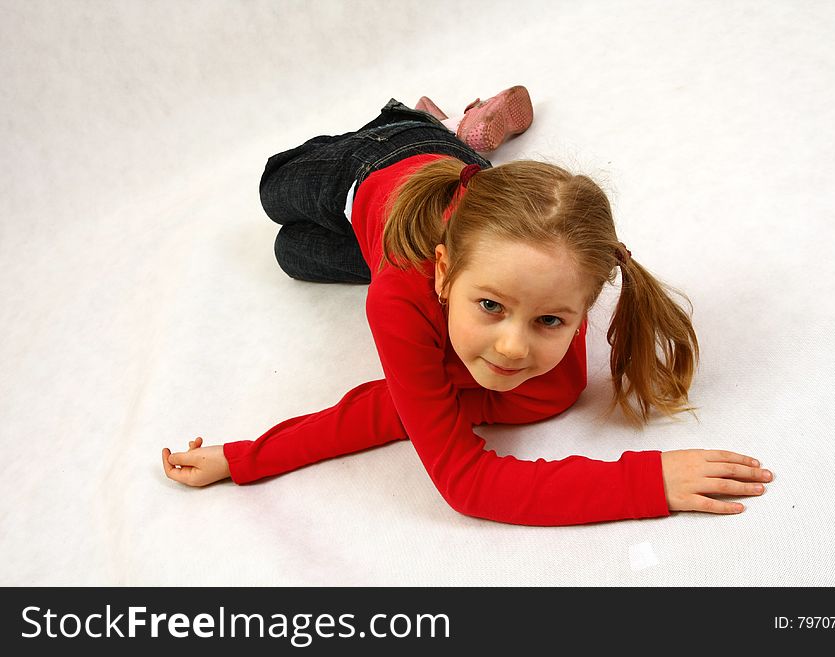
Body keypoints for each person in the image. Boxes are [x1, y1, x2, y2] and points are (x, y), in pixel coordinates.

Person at [161, 86, 773, 525]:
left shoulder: (553, 352)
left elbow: (391, 413)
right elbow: (468, 484)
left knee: (291, 255)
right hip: (375, 164)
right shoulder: (399, 295)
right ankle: (415, 123)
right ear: (447, 272)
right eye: (490, 306)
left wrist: (237, 459)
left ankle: (463, 136)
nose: (513, 346)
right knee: (275, 192)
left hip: (459, 199)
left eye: (550, 321)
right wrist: (646, 481)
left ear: (586, 305)